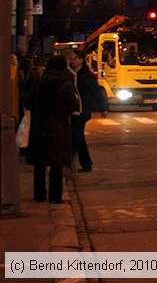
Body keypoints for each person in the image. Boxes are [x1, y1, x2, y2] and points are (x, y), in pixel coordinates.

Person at [23, 55, 81, 203]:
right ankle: (55, 197)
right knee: (56, 164)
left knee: (40, 163)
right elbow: (74, 107)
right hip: (58, 127)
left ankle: (39, 195)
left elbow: (28, 103)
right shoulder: (66, 84)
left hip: (39, 126)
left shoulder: (39, 82)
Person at [68, 49, 110, 173]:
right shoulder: (70, 73)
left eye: (74, 58)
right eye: (71, 58)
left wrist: (104, 108)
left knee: (76, 135)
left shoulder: (86, 75)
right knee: (77, 136)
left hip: (83, 109)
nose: (72, 60)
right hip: (74, 109)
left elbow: (96, 91)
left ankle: (69, 163)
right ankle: (85, 164)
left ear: (81, 59)